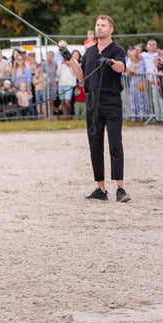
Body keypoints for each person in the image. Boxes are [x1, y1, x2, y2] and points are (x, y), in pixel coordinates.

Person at [64, 15, 130, 203]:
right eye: (97, 25)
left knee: (115, 143)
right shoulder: (90, 52)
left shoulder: (117, 50)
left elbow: (122, 67)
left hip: (111, 101)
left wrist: (110, 62)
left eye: (103, 25)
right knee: (95, 144)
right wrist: (70, 59)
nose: (99, 28)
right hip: (93, 102)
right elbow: (82, 76)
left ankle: (120, 188)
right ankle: (100, 188)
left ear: (111, 29)